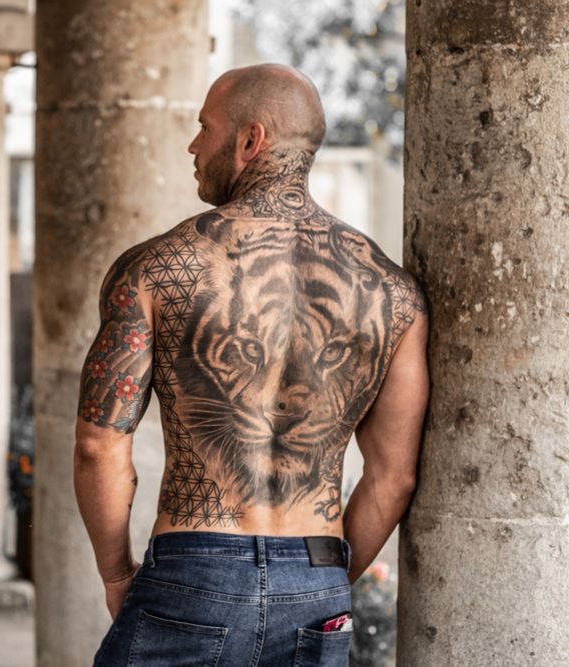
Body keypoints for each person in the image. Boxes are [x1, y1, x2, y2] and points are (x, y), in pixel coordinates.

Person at [73, 63, 429, 666]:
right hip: (316, 570)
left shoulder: (157, 269)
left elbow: (98, 445)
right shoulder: (391, 293)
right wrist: (318, 582)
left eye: (204, 128)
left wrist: (115, 574)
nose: (193, 145)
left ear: (249, 140)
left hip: (194, 567)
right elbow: (393, 477)